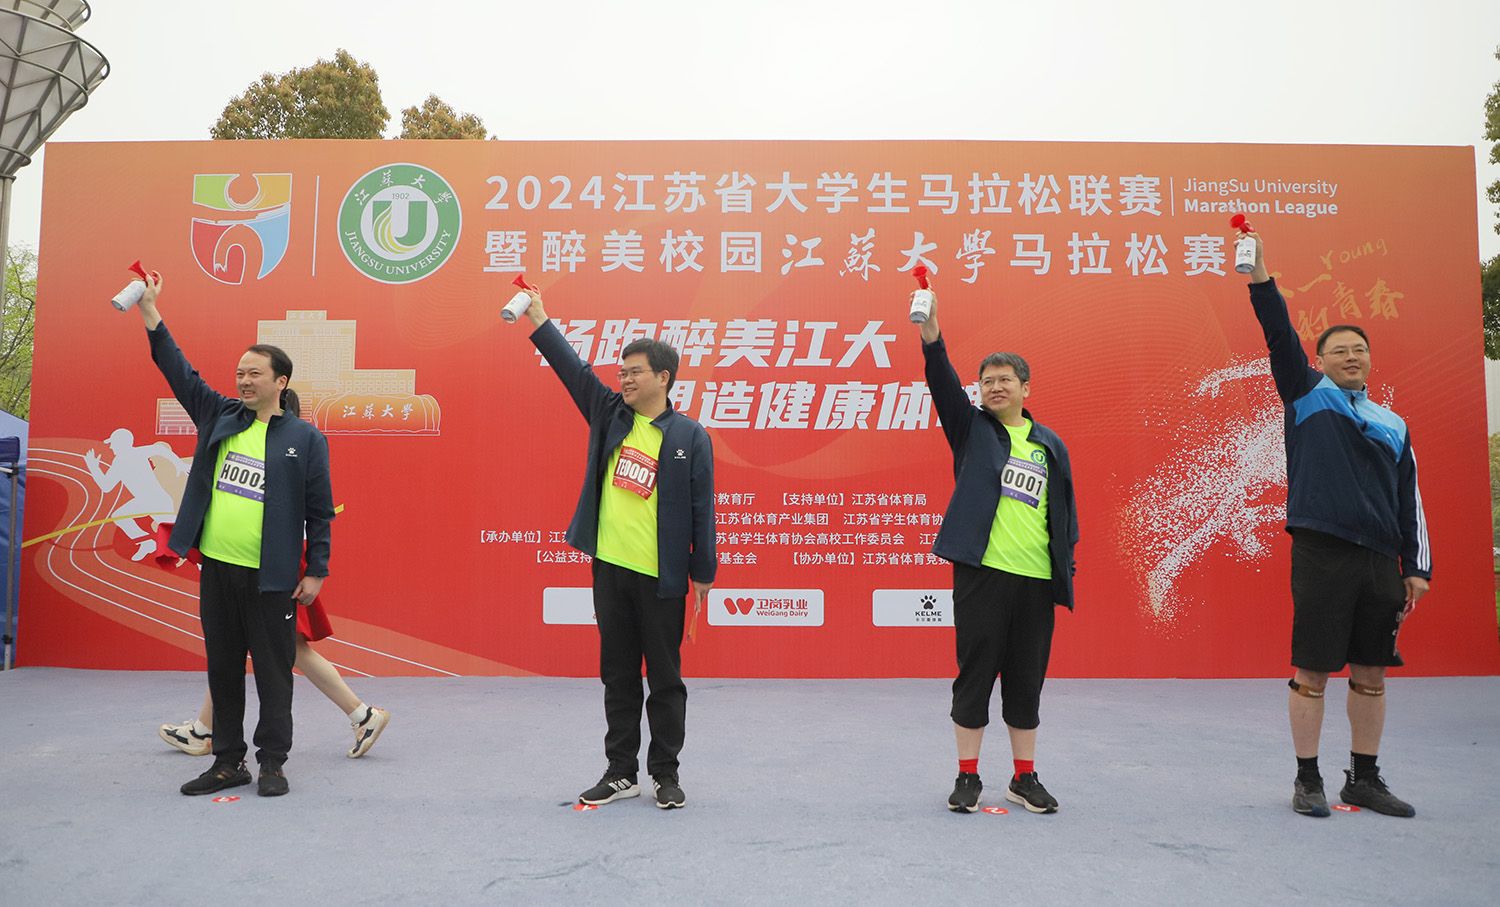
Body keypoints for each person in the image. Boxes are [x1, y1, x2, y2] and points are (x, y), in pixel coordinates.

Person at [1241, 230, 1430, 818]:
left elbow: (1409, 500)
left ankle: (1363, 779)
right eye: (1339, 350)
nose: (1351, 357)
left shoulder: (1393, 423)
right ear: (1320, 361)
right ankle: (1308, 780)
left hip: (1379, 560)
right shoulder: (1306, 394)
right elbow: (1278, 332)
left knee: (1372, 673)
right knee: (1313, 671)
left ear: (1370, 359)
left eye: (1359, 350)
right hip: (1322, 551)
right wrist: (1260, 277)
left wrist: (1416, 567)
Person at [135, 272, 335, 798]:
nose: (244, 381)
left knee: (274, 675)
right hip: (219, 571)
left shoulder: (304, 438)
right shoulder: (219, 415)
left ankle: (272, 763)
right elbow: (177, 370)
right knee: (223, 671)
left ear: (280, 382)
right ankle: (228, 762)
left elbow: (320, 511)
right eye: (240, 373)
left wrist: (316, 570)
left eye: (254, 374)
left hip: (272, 580)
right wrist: (151, 311)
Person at [519, 287, 715, 809]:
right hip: (610, 571)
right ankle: (621, 771)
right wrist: (540, 318)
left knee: (665, 680)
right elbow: (573, 371)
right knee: (619, 676)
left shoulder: (688, 436)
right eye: (621, 372)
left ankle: (665, 773)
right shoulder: (611, 415)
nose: (624, 380)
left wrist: (703, 573)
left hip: (662, 578)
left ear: (663, 378)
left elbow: (703, 509)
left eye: (634, 372)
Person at [912, 282, 1078, 814]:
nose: (995, 387)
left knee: (1026, 683)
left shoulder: (1049, 444)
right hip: (982, 575)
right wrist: (932, 334)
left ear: (1026, 387)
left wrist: (1064, 566)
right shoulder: (971, 429)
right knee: (975, 676)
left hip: (1035, 581)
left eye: (1005, 379)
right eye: (987, 381)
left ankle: (1024, 777)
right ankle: (967, 775)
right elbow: (941, 381)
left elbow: (1064, 515)